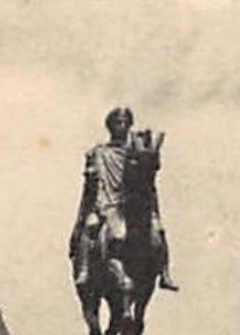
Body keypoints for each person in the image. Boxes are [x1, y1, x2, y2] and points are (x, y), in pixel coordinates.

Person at [69, 106, 177, 292]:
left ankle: (165, 274)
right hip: (106, 203)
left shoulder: (135, 151)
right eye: (118, 122)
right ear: (110, 126)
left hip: (131, 204)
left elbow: (148, 174)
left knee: (158, 231)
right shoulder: (99, 152)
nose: (122, 126)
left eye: (125, 123)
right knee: (91, 225)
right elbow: (90, 187)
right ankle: (84, 270)